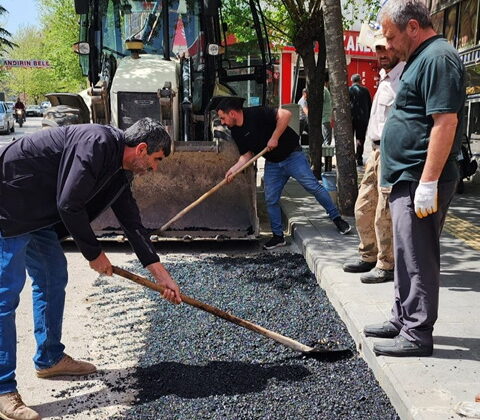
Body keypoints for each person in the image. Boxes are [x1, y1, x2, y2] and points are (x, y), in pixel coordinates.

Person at [0, 118, 182, 420]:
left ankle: (49, 358)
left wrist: (163, 277)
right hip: (11, 201)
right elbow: (70, 204)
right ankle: (4, 389)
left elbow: (132, 223)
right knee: (6, 296)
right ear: (141, 149)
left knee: (53, 275)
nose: (155, 168)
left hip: (39, 212)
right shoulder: (96, 143)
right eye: (156, 160)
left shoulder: (120, 172)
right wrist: (94, 253)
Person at [364, 0, 465, 357]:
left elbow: (445, 122)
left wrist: (428, 182)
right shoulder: (419, 59)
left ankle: (418, 333)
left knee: (419, 257)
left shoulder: (438, 58)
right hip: (406, 176)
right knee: (406, 254)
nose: (387, 45)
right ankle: (402, 319)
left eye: (391, 36)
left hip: (420, 177)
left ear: (412, 27)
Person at [216, 97, 351, 250]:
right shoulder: (236, 131)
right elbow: (247, 155)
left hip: (293, 156)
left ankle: (337, 219)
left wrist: (274, 138)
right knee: (271, 198)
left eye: (223, 117)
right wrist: (235, 169)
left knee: (312, 186)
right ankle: (278, 236)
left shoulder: (257, 113)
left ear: (232, 113)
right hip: (273, 163)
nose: (222, 122)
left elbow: (286, 114)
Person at [343, 32, 405, 283]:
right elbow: (376, 122)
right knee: (363, 207)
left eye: (386, 48)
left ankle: (386, 263)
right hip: (376, 152)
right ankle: (369, 254)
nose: (381, 53)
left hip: (392, 152)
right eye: (378, 48)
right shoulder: (384, 79)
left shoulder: (404, 79)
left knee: (384, 212)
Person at [349, 74, 372, 166]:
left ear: (352, 80)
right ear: (360, 80)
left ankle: (350, 157)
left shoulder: (349, 90)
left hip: (351, 118)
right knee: (360, 139)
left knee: (349, 138)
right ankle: (359, 158)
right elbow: (369, 105)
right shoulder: (365, 91)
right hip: (363, 119)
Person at [321, 76, 334, 146]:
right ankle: (327, 156)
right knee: (327, 139)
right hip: (325, 117)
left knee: (326, 138)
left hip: (325, 117)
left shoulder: (324, 90)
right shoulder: (324, 89)